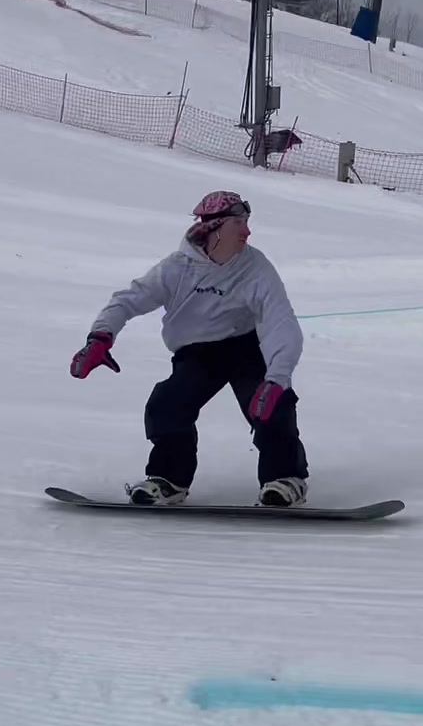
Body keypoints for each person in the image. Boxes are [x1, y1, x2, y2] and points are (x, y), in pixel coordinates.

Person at [70, 191, 309, 507]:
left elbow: (281, 323)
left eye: (247, 222)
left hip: (246, 349)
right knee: (166, 405)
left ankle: (286, 479)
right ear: (215, 228)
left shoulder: (256, 268)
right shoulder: (177, 267)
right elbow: (127, 300)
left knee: (271, 402)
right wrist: (100, 337)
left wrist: (277, 378)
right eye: (239, 223)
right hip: (198, 354)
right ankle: (169, 480)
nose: (247, 231)